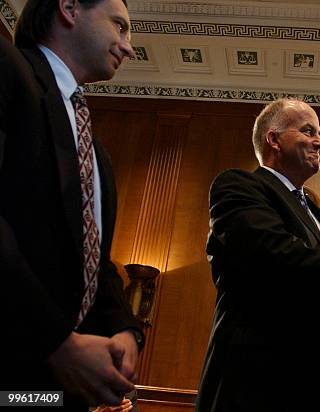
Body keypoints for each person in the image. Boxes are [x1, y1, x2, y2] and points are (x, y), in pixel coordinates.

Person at [0, 0, 144, 408]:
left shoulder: (98, 154)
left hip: (54, 394)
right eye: (120, 26)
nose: (128, 46)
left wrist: (126, 330)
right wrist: (55, 340)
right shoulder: (8, 68)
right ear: (69, 7)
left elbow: (93, 262)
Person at [196, 99, 320, 412]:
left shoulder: (318, 216)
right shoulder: (239, 186)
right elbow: (277, 256)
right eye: (308, 131)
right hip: (261, 386)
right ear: (274, 138)